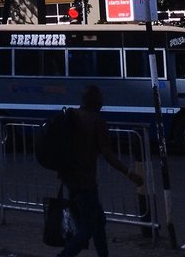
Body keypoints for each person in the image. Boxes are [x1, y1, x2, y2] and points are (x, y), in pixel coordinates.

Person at [55, 85, 145, 257]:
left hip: (69, 176)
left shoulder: (73, 115)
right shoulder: (96, 121)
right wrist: (130, 173)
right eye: (101, 98)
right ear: (95, 101)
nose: (103, 101)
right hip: (85, 181)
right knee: (89, 226)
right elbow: (108, 154)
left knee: (98, 221)